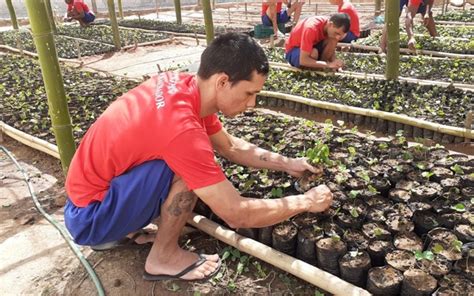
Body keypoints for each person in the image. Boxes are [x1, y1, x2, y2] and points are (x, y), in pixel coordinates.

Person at [64, 33, 333, 282]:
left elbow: (230, 146)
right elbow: (236, 214)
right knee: (186, 169)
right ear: (223, 82)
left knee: (178, 160)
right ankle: (163, 257)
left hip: (87, 203)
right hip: (90, 219)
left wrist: (287, 164)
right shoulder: (181, 130)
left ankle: (125, 227)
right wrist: (306, 201)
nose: (251, 104)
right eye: (250, 93)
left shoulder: (181, 87)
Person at [284, 14, 350, 70]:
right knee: (314, 53)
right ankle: (316, 69)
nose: (338, 37)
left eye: (340, 35)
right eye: (337, 33)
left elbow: (331, 49)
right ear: (330, 24)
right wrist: (329, 65)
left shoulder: (330, 28)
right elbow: (303, 60)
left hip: (312, 47)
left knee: (333, 40)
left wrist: (335, 62)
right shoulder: (311, 28)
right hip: (294, 51)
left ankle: (321, 66)